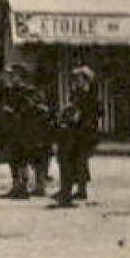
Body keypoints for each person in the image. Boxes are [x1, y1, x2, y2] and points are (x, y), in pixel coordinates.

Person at [51, 65, 103, 207]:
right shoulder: (76, 93)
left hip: (86, 132)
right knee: (78, 161)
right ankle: (77, 189)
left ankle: (78, 190)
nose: (76, 81)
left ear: (86, 80)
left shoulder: (91, 95)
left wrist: (83, 117)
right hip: (75, 132)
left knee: (80, 160)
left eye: (79, 78)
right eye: (75, 79)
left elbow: (98, 112)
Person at [0, 65, 49, 199]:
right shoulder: (6, 91)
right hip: (8, 131)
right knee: (13, 160)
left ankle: (24, 187)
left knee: (23, 159)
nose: (10, 78)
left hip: (23, 132)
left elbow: (33, 110)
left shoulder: (29, 92)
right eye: (9, 75)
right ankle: (17, 186)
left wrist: (13, 112)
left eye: (13, 75)